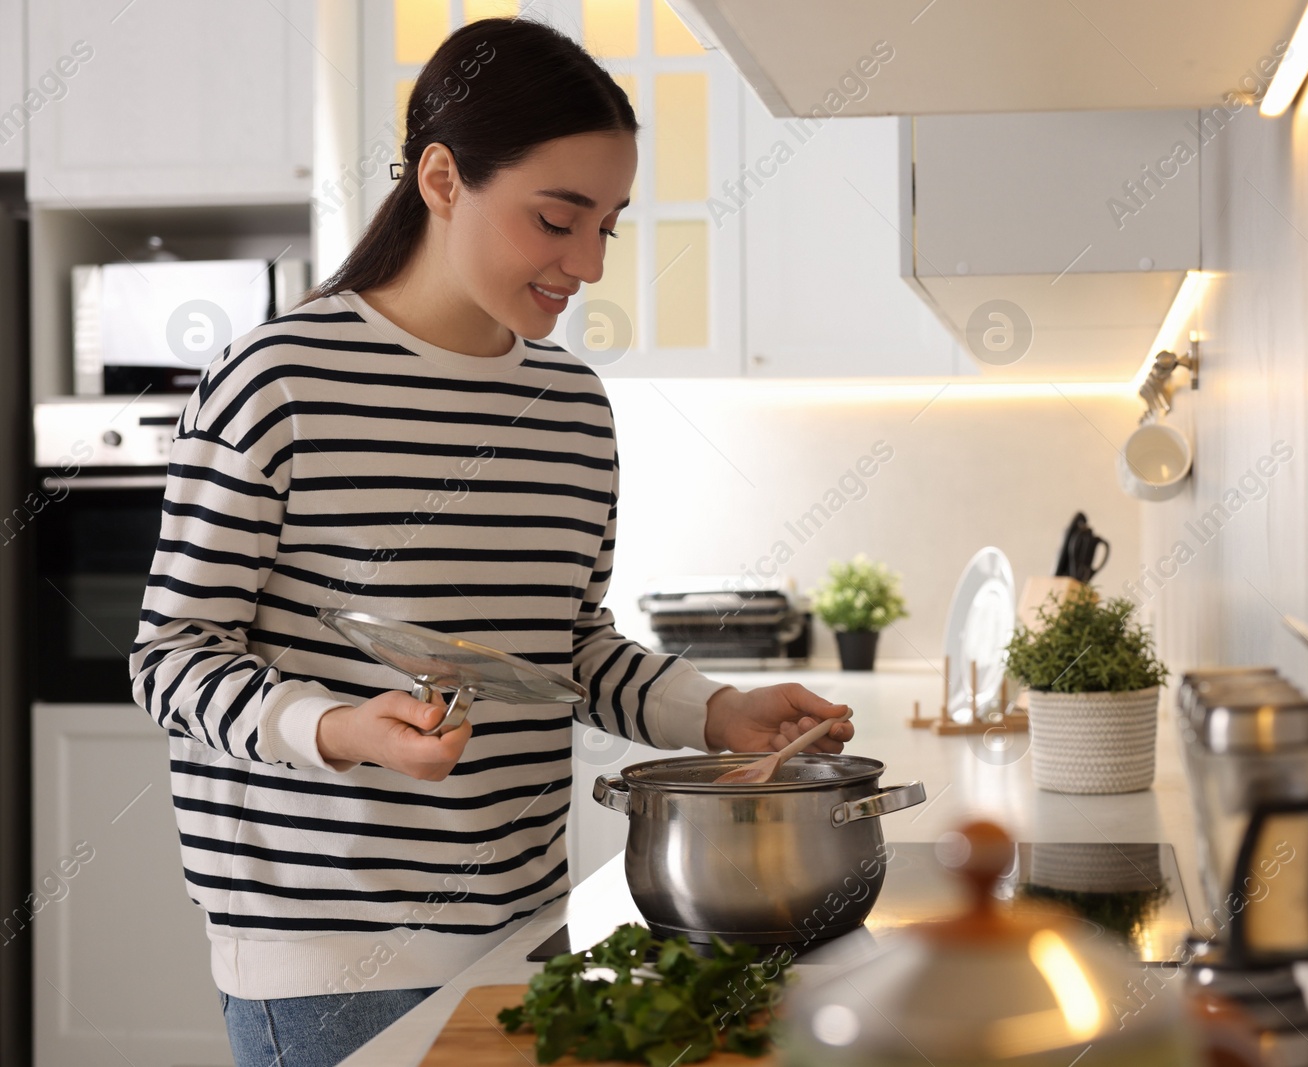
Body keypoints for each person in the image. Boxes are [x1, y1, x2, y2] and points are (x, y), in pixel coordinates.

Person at [129, 18, 852, 1067]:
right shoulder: (275, 378)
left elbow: (570, 649)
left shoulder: (571, 406)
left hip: (522, 930)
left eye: (609, 225)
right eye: (558, 220)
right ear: (440, 177)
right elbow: (171, 657)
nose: (588, 263)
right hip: (328, 961)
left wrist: (717, 709)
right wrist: (343, 728)